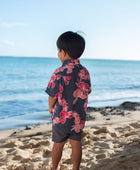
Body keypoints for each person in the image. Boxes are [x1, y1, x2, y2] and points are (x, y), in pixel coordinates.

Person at [45, 31, 91, 170]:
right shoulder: (84, 72)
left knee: (58, 144)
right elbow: (87, 91)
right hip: (78, 117)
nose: (58, 54)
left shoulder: (59, 72)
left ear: (63, 52)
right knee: (76, 143)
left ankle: (55, 167)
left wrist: (50, 108)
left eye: (58, 51)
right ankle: (75, 168)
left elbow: (52, 94)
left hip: (61, 117)